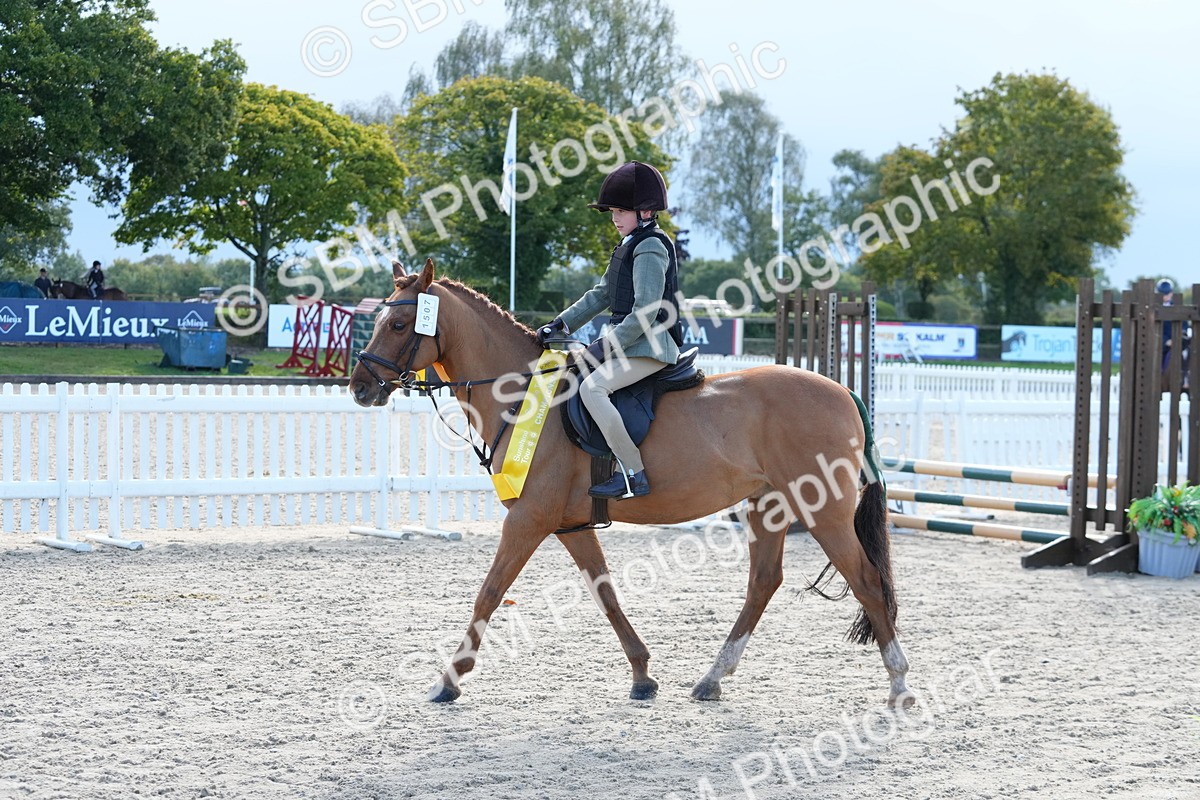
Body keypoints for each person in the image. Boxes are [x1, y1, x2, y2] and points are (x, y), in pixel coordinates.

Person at [538, 161, 683, 500]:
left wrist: (605, 346)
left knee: (593, 390)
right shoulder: (629, 243)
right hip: (631, 344)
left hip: (651, 347)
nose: (615, 217)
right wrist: (562, 323)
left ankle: (633, 473)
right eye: (613, 211)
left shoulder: (650, 246)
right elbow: (603, 294)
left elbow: (645, 313)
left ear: (645, 211)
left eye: (621, 211)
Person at [1157, 278, 1191, 385]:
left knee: (1189, 352)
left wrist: (1182, 335)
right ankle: (1160, 378)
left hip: (1178, 340)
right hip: (1162, 342)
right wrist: (1166, 341)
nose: (1165, 296)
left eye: (1167, 294)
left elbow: (1184, 325)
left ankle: (1186, 377)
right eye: (1163, 294)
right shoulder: (1155, 307)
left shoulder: (1178, 306)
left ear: (1171, 293)